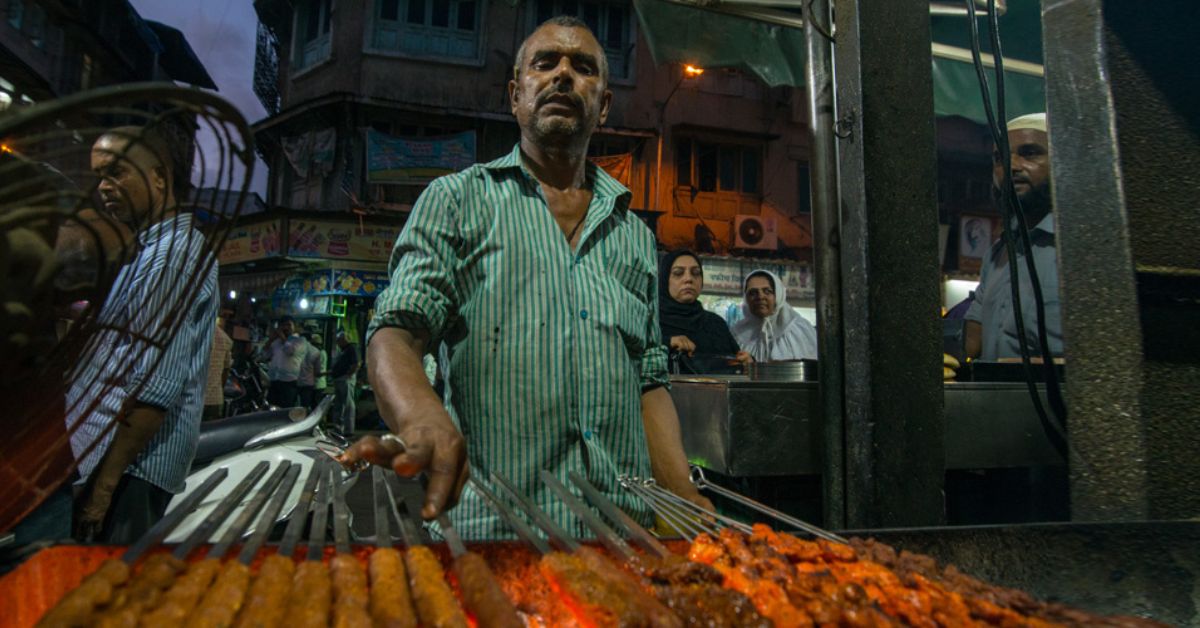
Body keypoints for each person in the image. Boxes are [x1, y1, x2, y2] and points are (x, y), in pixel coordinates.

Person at [342, 16, 711, 538]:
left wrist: (680, 495)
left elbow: (647, 380)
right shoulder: (457, 201)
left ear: (603, 105)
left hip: (623, 540)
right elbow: (395, 330)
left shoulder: (633, 234)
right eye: (545, 63)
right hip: (493, 536)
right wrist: (420, 415)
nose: (563, 75)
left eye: (583, 68)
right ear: (516, 96)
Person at [66, 122, 218, 543]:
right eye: (99, 176)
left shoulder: (171, 258)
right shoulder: (147, 252)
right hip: (108, 459)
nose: (104, 187)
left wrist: (102, 488)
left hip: (130, 467)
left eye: (116, 172)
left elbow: (155, 388)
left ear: (159, 177)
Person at [965, 113, 1062, 361]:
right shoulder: (998, 253)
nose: (1011, 166)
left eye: (1029, 153)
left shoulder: (1083, 248)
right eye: (1000, 158)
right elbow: (973, 340)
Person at [658, 249, 749, 373]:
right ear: (664, 280)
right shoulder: (652, 322)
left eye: (696, 273)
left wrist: (746, 363)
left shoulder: (715, 324)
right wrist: (667, 342)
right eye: (678, 273)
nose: (688, 279)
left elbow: (735, 362)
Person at [731, 269, 819, 362]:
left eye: (767, 291)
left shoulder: (799, 331)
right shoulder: (737, 334)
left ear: (778, 294)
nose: (760, 297)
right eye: (753, 293)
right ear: (746, 298)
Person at [261, 316, 307, 407]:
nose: (285, 328)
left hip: (289, 382)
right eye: (283, 325)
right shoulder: (276, 342)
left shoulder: (300, 341)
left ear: (295, 327)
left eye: (289, 325)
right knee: (271, 409)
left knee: (285, 410)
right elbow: (264, 355)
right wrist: (270, 340)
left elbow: (290, 351)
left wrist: (282, 337)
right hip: (274, 381)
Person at [202, 316, 233, 420]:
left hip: (194, 398)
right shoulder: (225, 339)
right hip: (215, 398)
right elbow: (226, 370)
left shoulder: (198, 334)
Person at [329, 331, 360, 434]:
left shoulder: (351, 348)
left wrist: (348, 376)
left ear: (344, 340)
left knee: (347, 404)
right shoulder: (343, 350)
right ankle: (338, 428)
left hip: (345, 379)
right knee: (339, 404)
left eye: (339, 340)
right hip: (339, 379)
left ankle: (348, 429)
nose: (338, 342)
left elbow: (356, 363)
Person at [297, 331, 321, 410]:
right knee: (305, 406)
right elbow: (317, 371)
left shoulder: (295, 349)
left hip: (294, 381)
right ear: (311, 340)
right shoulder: (316, 351)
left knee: (292, 407)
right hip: (308, 383)